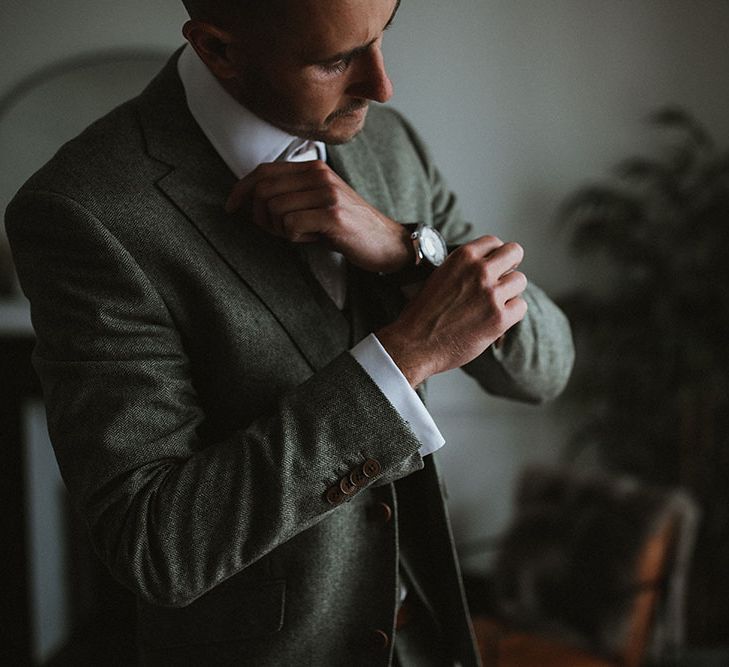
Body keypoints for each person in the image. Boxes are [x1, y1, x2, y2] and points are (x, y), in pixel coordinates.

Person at [5, 0, 574, 664]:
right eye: (333, 60)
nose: (381, 85)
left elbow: (546, 367)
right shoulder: (83, 211)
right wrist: (406, 355)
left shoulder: (388, 143)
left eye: (382, 38)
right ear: (218, 48)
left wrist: (402, 247)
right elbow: (155, 544)